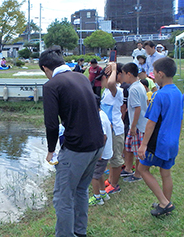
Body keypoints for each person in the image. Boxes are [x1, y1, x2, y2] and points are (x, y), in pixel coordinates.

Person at [39, 45, 104, 237]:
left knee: (62, 198)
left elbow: (51, 124)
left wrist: (51, 150)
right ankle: (79, 232)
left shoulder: (52, 85)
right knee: (81, 190)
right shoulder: (81, 77)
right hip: (97, 144)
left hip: (78, 148)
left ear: (45, 68)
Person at [138, 57, 183, 217]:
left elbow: (151, 123)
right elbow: (180, 118)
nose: (153, 76)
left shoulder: (159, 95)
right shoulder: (178, 92)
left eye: (154, 73)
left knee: (142, 169)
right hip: (172, 142)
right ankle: (166, 204)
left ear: (161, 74)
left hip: (159, 142)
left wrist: (143, 145)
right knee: (166, 173)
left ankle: (164, 203)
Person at [98, 63, 126, 195]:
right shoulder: (107, 92)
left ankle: (114, 185)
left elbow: (111, 84)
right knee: (110, 156)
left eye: (104, 78)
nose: (102, 81)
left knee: (116, 158)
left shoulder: (117, 90)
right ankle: (110, 179)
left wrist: (114, 68)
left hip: (116, 130)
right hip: (108, 129)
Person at [121, 62, 148, 183]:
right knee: (129, 147)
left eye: (123, 74)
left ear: (129, 74)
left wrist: (133, 127)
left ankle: (138, 174)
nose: (122, 77)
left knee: (137, 151)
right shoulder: (139, 86)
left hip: (138, 126)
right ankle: (128, 169)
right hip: (139, 124)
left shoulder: (134, 89)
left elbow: (137, 108)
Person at [89, 95, 113, 206]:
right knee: (99, 173)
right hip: (106, 153)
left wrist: (99, 152)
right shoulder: (102, 114)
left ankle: (97, 197)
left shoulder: (99, 118)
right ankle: (103, 193)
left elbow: (104, 137)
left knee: (93, 175)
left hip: (101, 154)